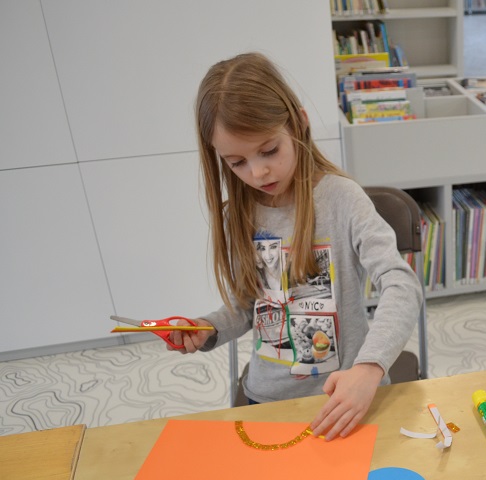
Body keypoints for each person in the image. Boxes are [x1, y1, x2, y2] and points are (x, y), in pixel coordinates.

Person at [170, 52, 422, 439]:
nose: (257, 172)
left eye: (269, 151)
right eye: (236, 162)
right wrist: (209, 327)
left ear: (299, 125)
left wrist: (369, 369)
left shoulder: (341, 199)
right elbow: (249, 306)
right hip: (268, 401)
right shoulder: (238, 212)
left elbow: (402, 284)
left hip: (346, 396)